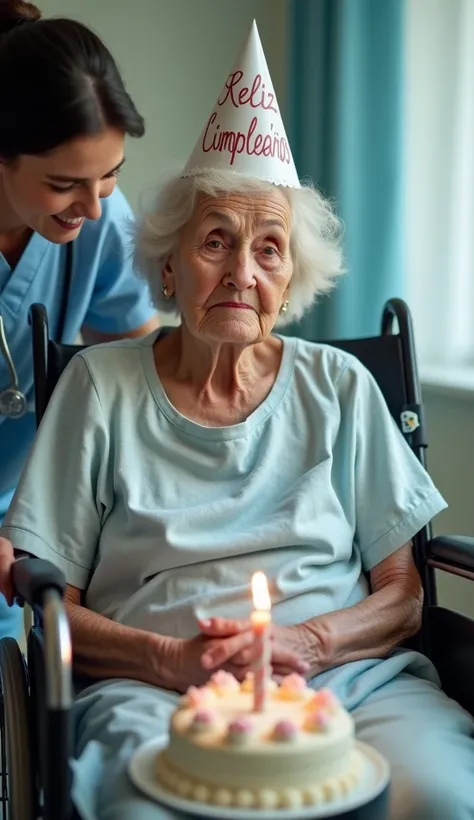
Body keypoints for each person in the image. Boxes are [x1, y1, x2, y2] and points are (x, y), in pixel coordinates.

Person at [1, 21, 473, 820]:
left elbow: (403, 593)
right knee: (139, 805)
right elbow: (53, 601)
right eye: (215, 241)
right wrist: (167, 657)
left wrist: (311, 643)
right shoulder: (100, 387)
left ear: (293, 279)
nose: (242, 274)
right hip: (151, 691)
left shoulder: (342, 384)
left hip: (349, 680)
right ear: (166, 266)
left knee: (440, 793)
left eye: (271, 249)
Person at [0, 0, 159, 637]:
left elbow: (142, 377)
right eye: (65, 183)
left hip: (23, 527)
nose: (92, 208)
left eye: (110, 176)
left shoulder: (97, 227)